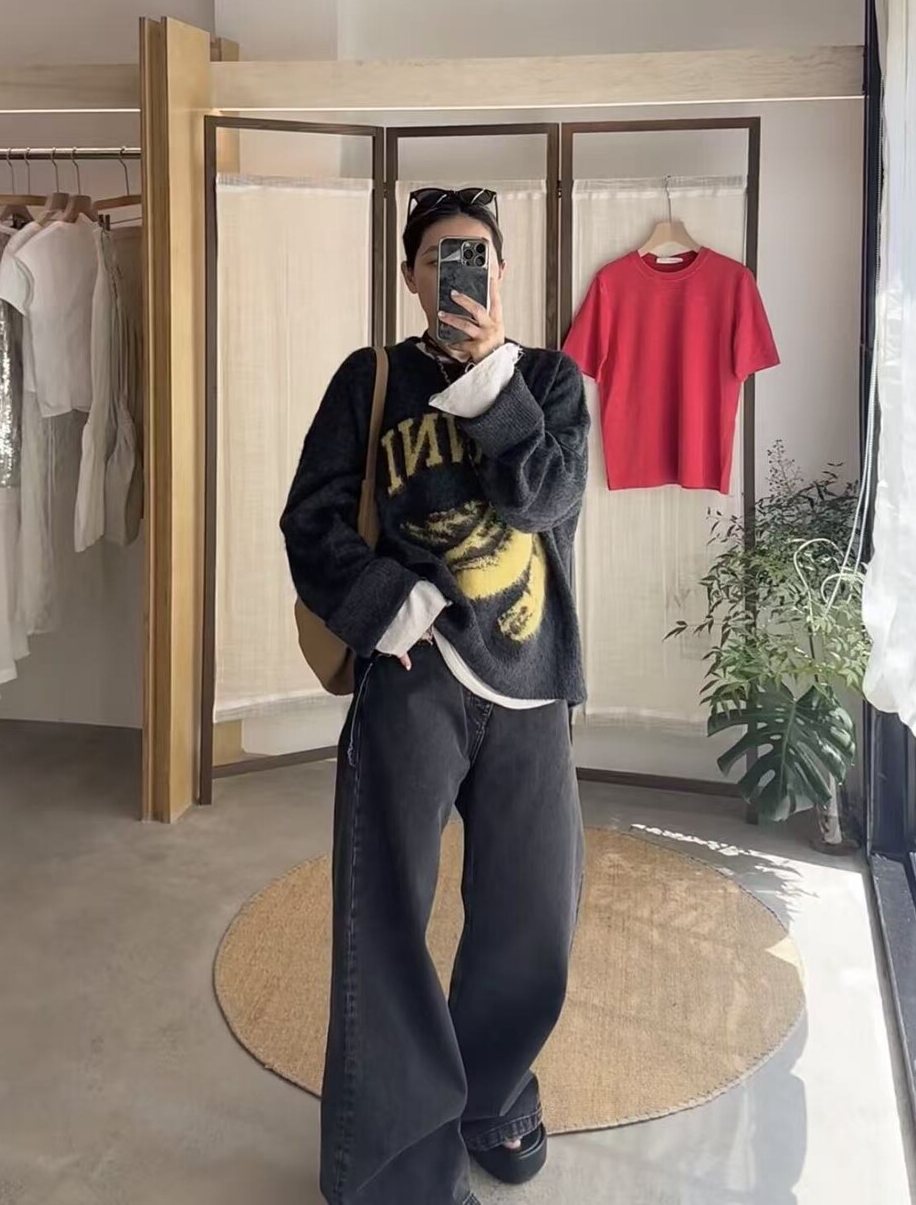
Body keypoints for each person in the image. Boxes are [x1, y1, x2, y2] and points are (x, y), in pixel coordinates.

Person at [281, 186, 589, 1205]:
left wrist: (490, 378)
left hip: (530, 682)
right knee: (384, 919)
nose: (461, 274)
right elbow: (310, 520)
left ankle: (491, 1096)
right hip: (411, 679)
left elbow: (545, 500)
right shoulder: (369, 379)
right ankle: (398, 1171)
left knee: (532, 918)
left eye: (478, 257)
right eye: (440, 259)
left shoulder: (547, 379)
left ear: (501, 272)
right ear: (412, 277)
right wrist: (390, 606)